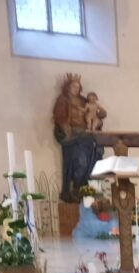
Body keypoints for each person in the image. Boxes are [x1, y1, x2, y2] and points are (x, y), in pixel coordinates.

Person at [52, 74, 104, 202]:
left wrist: (99, 118)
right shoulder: (63, 100)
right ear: (68, 87)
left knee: (94, 157)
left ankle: (86, 188)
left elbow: (96, 113)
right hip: (73, 136)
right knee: (81, 162)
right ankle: (77, 188)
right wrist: (68, 131)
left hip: (86, 135)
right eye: (73, 86)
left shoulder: (83, 101)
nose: (76, 89)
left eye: (78, 87)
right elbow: (60, 117)